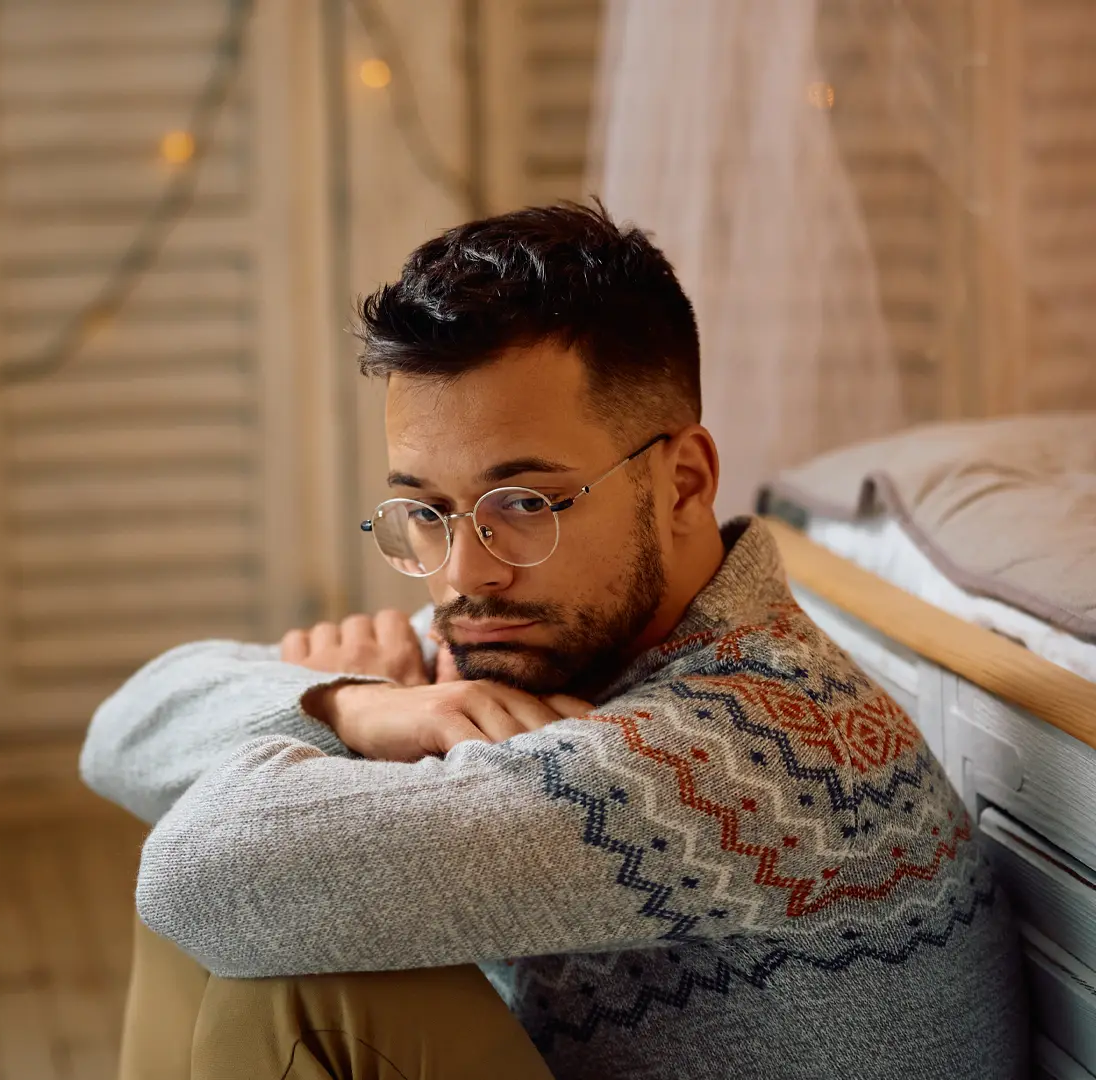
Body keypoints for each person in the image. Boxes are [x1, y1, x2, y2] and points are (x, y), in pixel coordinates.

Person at [80, 204, 1026, 1080]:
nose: (465, 573)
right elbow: (121, 735)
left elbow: (194, 874)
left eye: (525, 503)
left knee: (292, 971)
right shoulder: (541, 632)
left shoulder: (732, 751)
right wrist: (361, 705)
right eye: (426, 510)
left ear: (685, 483)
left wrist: (344, 739)